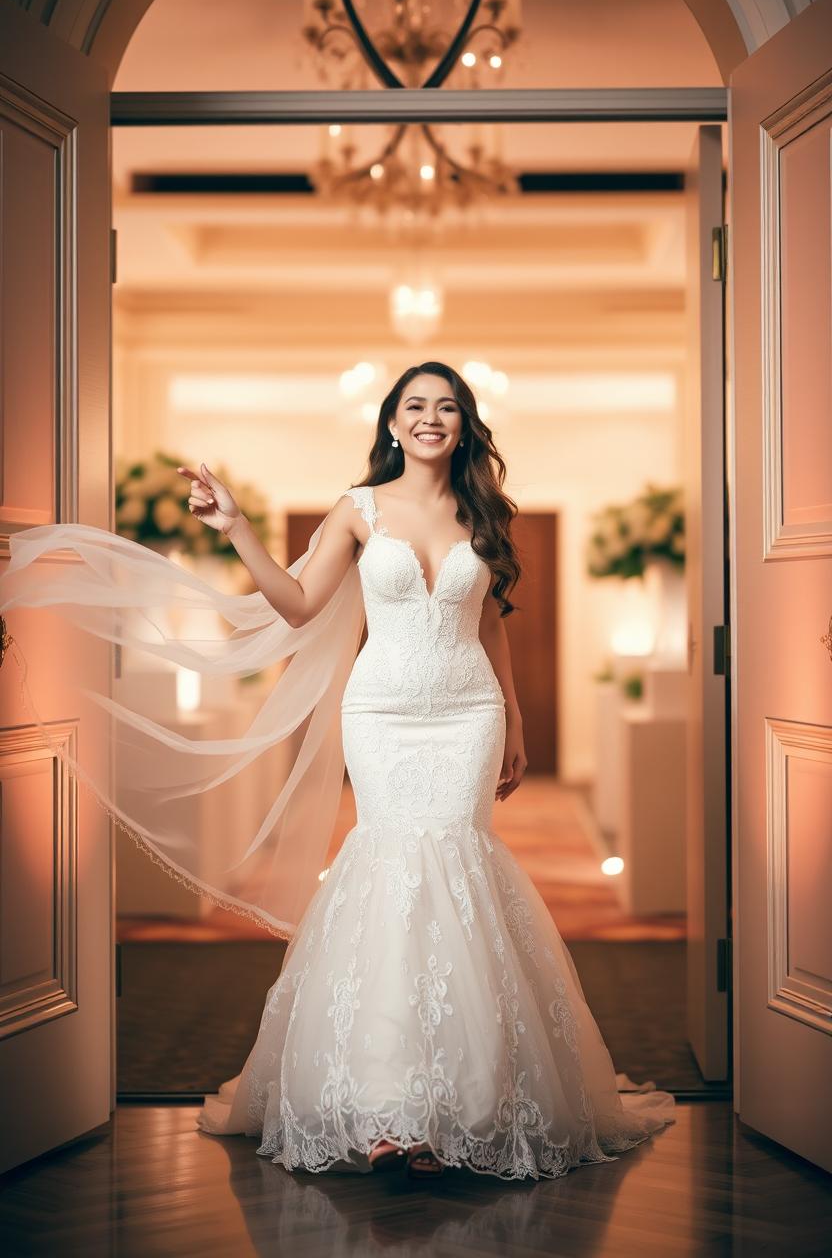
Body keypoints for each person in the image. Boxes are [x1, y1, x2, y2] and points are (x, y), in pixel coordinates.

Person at [182, 361, 675, 1179]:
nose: (430, 418)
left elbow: (493, 624)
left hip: (467, 716)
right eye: (415, 405)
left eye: (446, 407)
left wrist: (514, 715)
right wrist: (234, 526)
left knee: (457, 866)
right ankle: (387, 1107)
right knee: (391, 871)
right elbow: (300, 605)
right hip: (381, 715)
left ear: (464, 423)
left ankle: (462, 1104)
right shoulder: (358, 509)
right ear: (391, 423)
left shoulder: (483, 511)